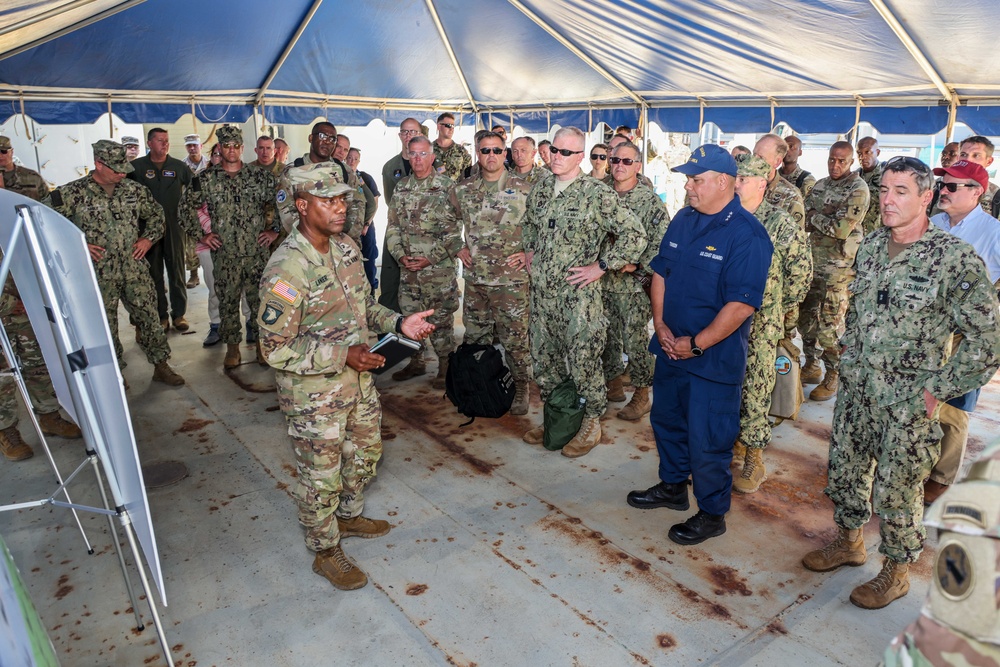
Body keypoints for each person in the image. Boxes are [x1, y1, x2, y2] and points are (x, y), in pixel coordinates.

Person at [801, 156, 1000, 610]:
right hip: (857, 390)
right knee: (847, 472)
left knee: (899, 487)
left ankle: (895, 571)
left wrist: (939, 389)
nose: (887, 201)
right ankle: (849, 542)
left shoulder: (952, 258)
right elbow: (864, 307)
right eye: (885, 190)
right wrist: (849, 349)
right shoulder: (871, 245)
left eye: (901, 192)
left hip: (909, 401)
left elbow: (988, 340)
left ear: (927, 198)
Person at [258, 168, 434, 590]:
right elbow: (274, 348)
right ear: (302, 206)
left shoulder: (347, 248)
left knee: (366, 453)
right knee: (321, 478)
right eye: (329, 201)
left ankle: (349, 517)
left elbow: (366, 307)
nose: (341, 207)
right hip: (314, 396)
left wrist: (398, 323)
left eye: (342, 199)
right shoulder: (286, 268)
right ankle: (324, 549)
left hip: (358, 382)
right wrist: (343, 355)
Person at [627, 145, 771, 545]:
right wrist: (661, 325)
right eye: (688, 179)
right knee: (667, 422)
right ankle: (673, 487)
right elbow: (661, 273)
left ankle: (711, 513)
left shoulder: (747, 235)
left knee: (708, 438)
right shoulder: (684, 219)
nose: (689, 186)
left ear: (723, 182)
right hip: (671, 348)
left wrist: (696, 344)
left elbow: (741, 305)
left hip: (711, 360)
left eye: (697, 179)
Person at [520, 127, 646, 458]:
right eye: (552, 150)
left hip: (579, 299)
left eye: (565, 153)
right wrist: (530, 251)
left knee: (583, 362)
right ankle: (557, 419)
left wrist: (602, 266)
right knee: (544, 361)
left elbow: (635, 235)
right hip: (543, 296)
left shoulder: (596, 193)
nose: (555, 157)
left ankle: (591, 423)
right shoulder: (543, 185)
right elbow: (530, 223)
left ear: (579, 157)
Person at [43, 140, 185, 387]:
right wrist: (78, 245)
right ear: (98, 164)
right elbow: (44, 226)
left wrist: (147, 239)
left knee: (150, 319)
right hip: (97, 274)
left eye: (124, 168)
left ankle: (161, 365)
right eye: (116, 169)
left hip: (134, 269)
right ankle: (115, 374)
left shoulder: (134, 190)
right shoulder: (69, 194)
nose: (122, 173)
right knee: (104, 326)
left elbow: (156, 215)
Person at [730, 156, 811, 493]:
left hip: (761, 322)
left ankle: (754, 455)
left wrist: (777, 308)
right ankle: (727, 443)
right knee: (725, 383)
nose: (736, 184)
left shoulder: (779, 223)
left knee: (756, 387)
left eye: (744, 179)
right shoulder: (725, 218)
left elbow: (801, 274)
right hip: (722, 317)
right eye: (735, 178)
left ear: (761, 184)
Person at [0, 135, 82, 461]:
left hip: (26, 291)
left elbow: (50, 224)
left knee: (37, 359)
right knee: (3, 370)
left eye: (4, 151)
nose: (1, 157)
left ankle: (47, 414)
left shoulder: (31, 181)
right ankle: (7, 430)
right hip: (4, 300)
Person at [924, 159, 1000, 503]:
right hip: (927, 329)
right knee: (922, 397)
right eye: (943, 184)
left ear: (977, 192)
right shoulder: (934, 223)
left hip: (965, 335)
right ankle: (918, 463)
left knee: (954, 405)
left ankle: (941, 476)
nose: (944, 191)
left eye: (952, 186)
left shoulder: (992, 231)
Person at [180, 126, 278, 369]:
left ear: (242, 148)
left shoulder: (260, 177)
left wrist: (274, 230)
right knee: (227, 301)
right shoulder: (205, 179)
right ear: (220, 148)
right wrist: (202, 236)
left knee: (260, 302)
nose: (232, 150)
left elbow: (281, 204)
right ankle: (233, 348)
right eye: (227, 146)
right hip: (225, 254)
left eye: (236, 146)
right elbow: (183, 210)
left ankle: (260, 347)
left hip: (257, 253)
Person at [453, 131, 533, 414]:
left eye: (497, 151)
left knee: (515, 337)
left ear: (506, 153)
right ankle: (479, 382)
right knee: (475, 337)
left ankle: (522, 385)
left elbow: (542, 226)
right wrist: (456, 246)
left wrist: (529, 253)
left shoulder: (524, 189)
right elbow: (444, 221)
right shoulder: (463, 189)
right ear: (477, 153)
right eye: (485, 150)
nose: (491, 156)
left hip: (510, 282)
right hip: (476, 281)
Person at [384, 134, 462, 389]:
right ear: (408, 155)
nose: (417, 159)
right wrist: (400, 255)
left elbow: (453, 233)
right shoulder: (402, 187)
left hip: (437, 271)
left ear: (432, 156)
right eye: (413, 154)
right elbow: (393, 226)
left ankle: (446, 365)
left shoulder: (447, 187)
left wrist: (429, 259)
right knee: (409, 316)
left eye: (423, 154)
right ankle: (416, 361)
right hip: (409, 272)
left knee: (440, 320)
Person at [602, 141, 670, 422]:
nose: (620, 165)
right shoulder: (600, 193)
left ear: (638, 166)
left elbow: (661, 240)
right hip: (602, 280)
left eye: (627, 161)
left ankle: (642, 394)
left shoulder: (649, 200)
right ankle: (613, 382)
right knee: (605, 335)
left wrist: (638, 264)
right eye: (615, 160)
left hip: (632, 285)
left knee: (636, 340)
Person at [798, 141, 870, 401]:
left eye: (841, 161)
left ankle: (834, 374)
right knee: (805, 321)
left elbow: (842, 229)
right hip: (813, 264)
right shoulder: (820, 185)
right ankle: (812, 365)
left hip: (838, 272)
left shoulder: (858, 189)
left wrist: (817, 216)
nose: (835, 165)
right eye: (832, 159)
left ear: (851, 162)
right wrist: (820, 217)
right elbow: (803, 219)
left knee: (829, 328)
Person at [127, 128, 193, 333]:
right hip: (146, 231)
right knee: (153, 273)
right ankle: (161, 315)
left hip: (174, 227)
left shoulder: (179, 167)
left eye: (166, 141)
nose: (165, 144)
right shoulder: (136, 167)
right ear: (149, 143)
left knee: (177, 272)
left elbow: (194, 194)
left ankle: (179, 314)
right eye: (160, 141)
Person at [279, 122, 364, 247]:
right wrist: (314, 241)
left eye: (332, 139)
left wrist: (344, 238)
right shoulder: (293, 172)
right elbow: (287, 212)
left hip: (342, 246)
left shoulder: (345, 171)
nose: (327, 142)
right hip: (306, 247)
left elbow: (357, 205)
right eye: (322, 136)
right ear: (311, 138)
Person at [379, 117, 423, 314]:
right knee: (391, 281)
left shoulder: (432, 162)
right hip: (397, 230)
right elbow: (390, 201)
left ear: (420, 134)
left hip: (424, 234)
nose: (408, 136)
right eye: (405, 132)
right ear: (399, 135)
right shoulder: (390, 167)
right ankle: (390, 333)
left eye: (413, 132)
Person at [346, 147, 381, 293]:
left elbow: (374, 203)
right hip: (348, 230)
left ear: (359, 161)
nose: (352, 161)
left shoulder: (365, 178)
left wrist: (367, 223)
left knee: (369, 259)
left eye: (355, 158)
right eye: (349, 157)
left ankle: (371, 291)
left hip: (366, 228)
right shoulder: (341, 176)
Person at [753, 134, 805, 229]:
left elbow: (796, 239)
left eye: (761, 158)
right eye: (754, 155)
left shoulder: (791, 196)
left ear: (777, 162)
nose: (754, 161)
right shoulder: (743, 186)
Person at [432, 112, 471, 181]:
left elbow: (468, 177)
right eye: (448, 125)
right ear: (439, 126)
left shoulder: (461, 151)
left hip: (455, 190)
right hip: (433, 190)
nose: (451, 129)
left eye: (453, 126)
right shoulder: (428, 150)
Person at [856, 137, 883, 235]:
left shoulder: (887, 176)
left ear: (877, 152)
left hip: (879, 235)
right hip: (856, 237)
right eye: (859, 153)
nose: (862, 157)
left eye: (867, 152)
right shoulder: (853, 178)